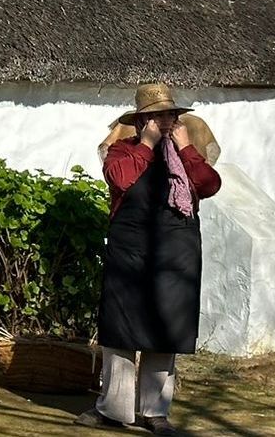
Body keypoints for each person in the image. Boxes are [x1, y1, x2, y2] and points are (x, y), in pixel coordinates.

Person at [76, 83, 222, 436]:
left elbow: (209, 185)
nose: (165, 121)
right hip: (130, 249)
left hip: (176, 250)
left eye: (170, 115)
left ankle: (155, 413)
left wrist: (185, 148)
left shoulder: (186, 154)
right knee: (121, 329)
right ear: (141, 121)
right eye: (157, 116)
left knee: (166, 330)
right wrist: (147, 145)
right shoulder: (122, 151)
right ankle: (113, 409)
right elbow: (120, 179)